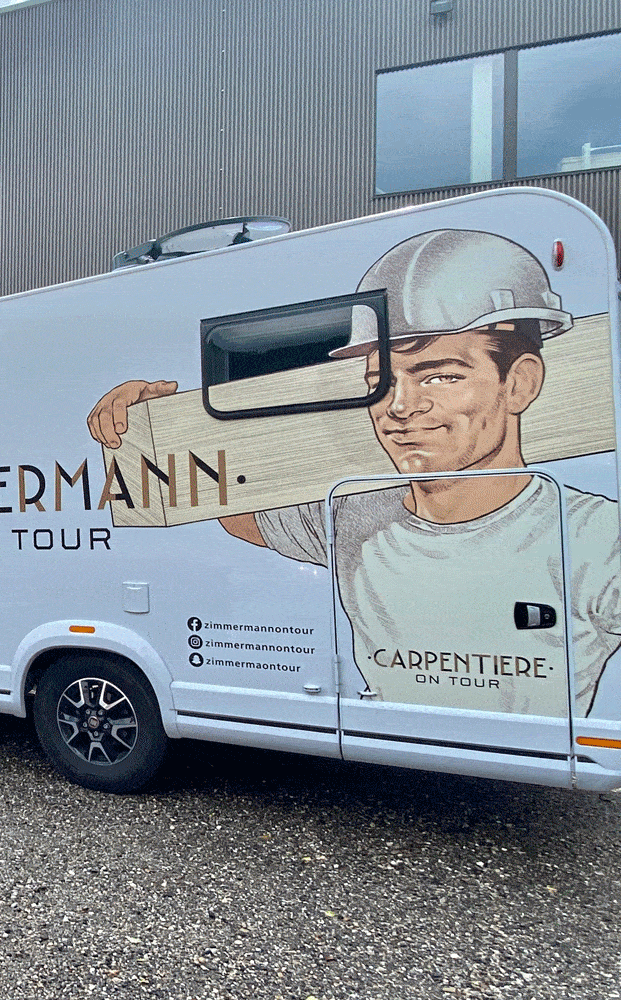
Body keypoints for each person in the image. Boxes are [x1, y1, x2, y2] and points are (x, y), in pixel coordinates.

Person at [87, 229, 621, 716]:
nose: (400, 406)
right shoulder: (356, 518)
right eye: (378, 382)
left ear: (520, 383)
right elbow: (234, 510)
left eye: (438, 377)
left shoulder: (594, 537)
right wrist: (159, 425)